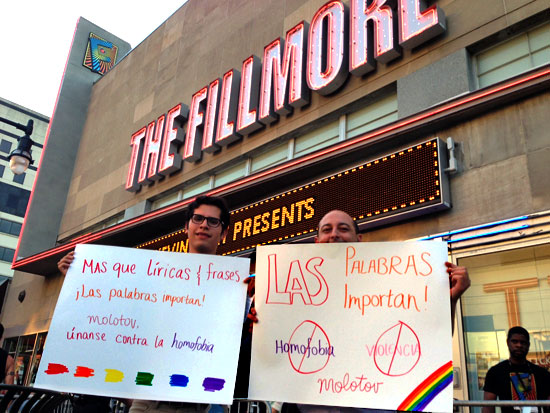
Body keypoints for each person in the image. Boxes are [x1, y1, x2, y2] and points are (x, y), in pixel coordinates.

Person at [248, 209, 471, 413]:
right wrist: (261, 322)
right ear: (316, 242)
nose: (334, 234)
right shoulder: (293, 291)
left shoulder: (393, 282)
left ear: (359, 240)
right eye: (327, 230)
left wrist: (449, 301)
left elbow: (429, 341)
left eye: (343, 228)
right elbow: (281, 355)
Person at [58, 195, 233, 413]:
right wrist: (76, 279)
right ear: (186, 227)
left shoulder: (233, 289)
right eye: (197, 218)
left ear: (224, 233)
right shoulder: (156, 279)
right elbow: (110, 318)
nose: (204, 224)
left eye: (213, 221)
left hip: (206, 404)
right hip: (150, 402)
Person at [483, 326, 550, 413]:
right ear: (507, 343)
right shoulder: (496, 372)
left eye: (523, 342)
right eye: (515, 341)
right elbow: (488, 407)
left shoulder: (541, 373)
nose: (519, 345)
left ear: (528, 345)